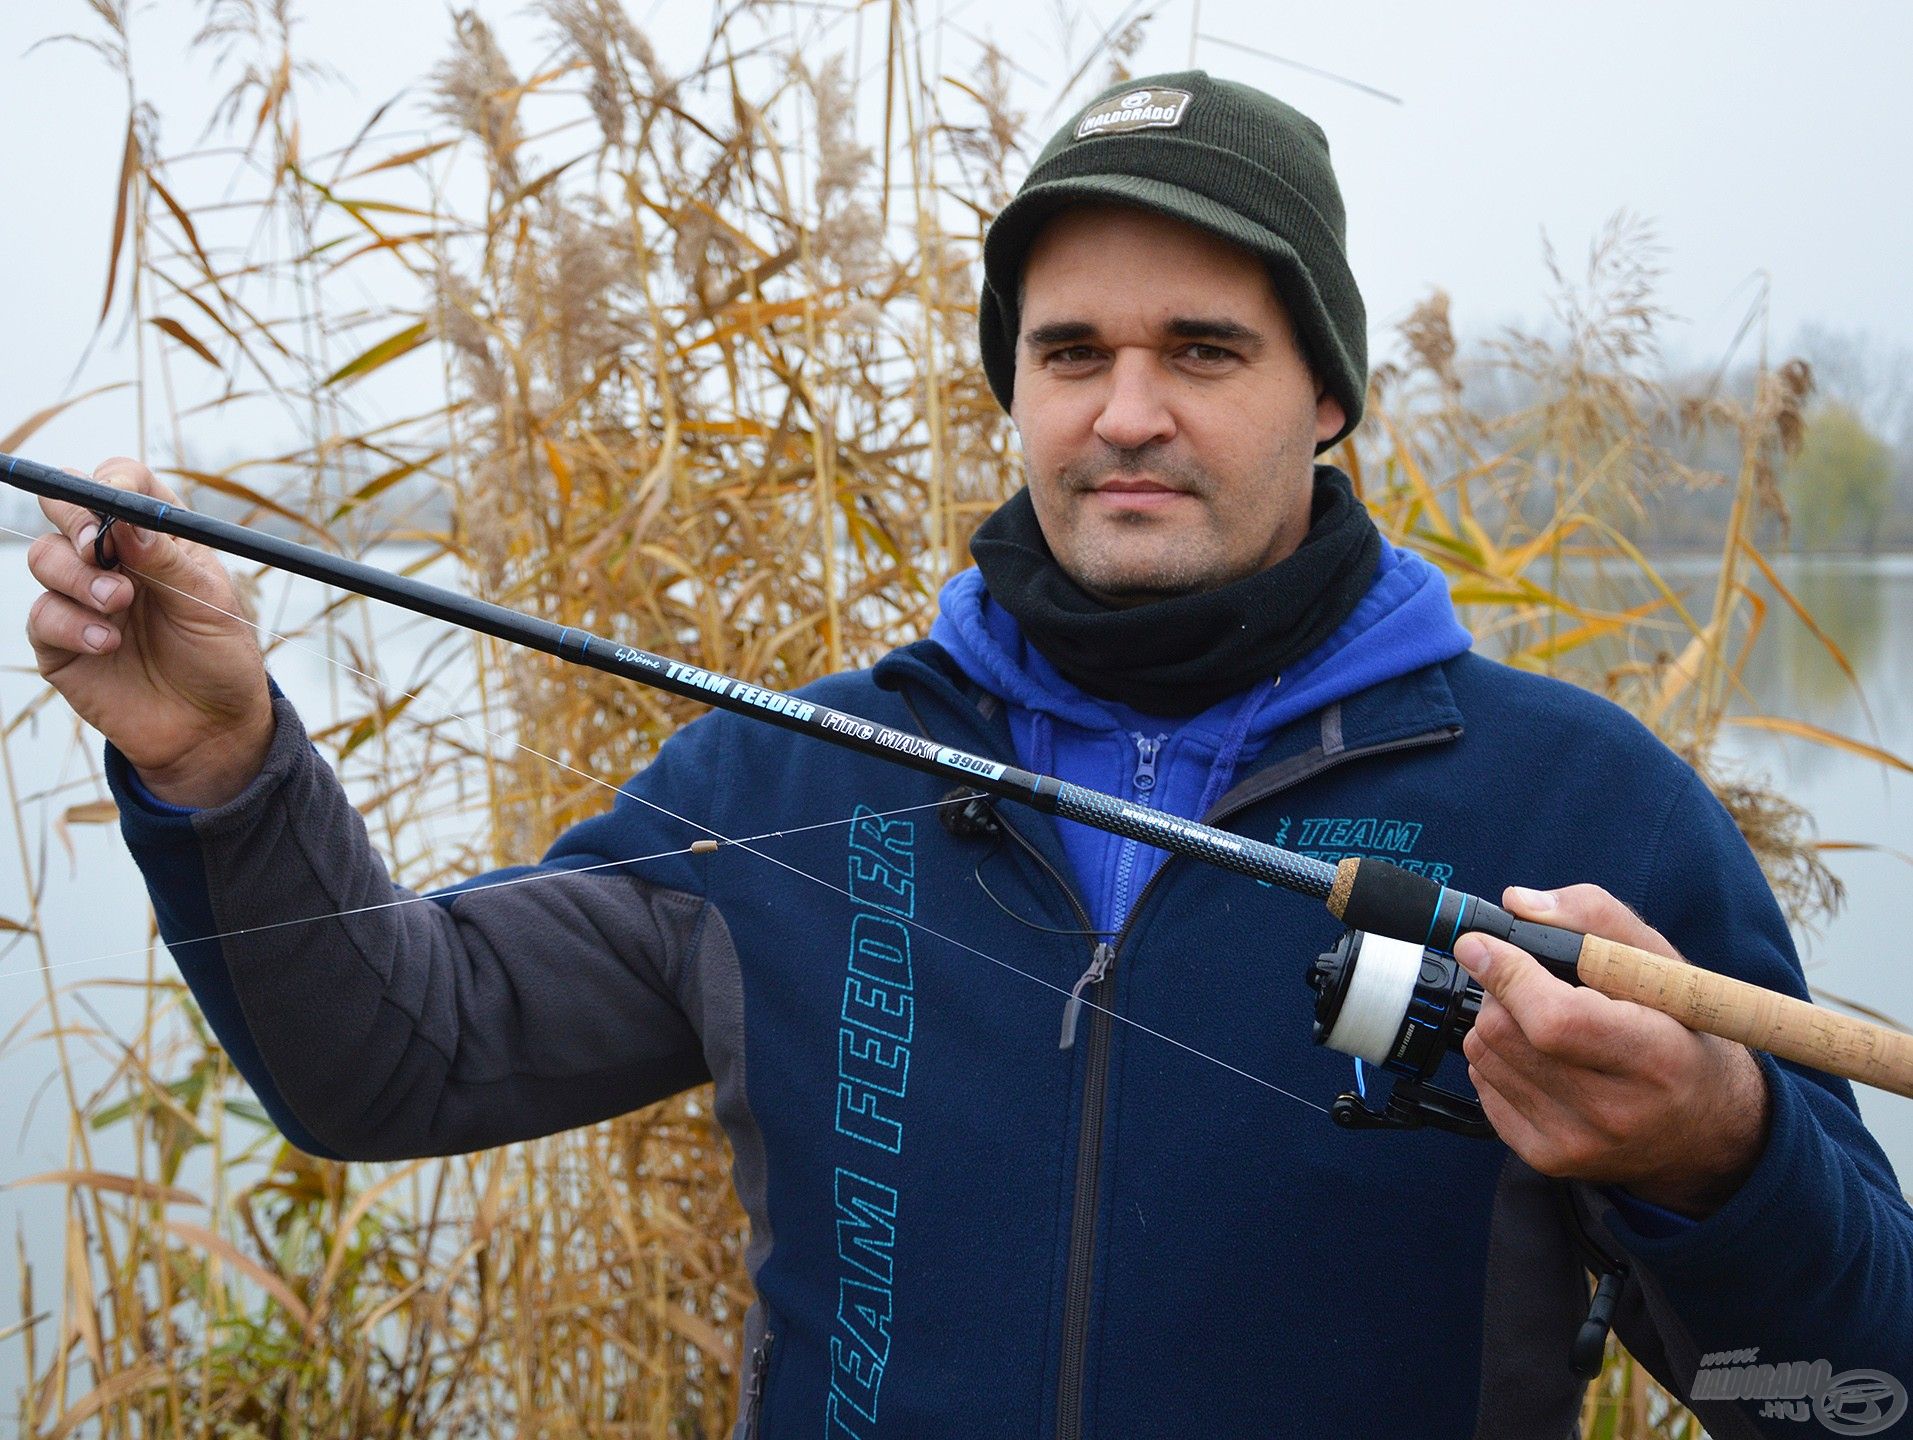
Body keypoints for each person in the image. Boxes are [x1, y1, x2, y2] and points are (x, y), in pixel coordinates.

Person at [22, 70, 1911, 1438]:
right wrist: (222, 768)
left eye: (1205, 348)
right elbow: (391, 1060)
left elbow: (1854, 1394)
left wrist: (1718, 1158)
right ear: (1011, 386)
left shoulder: (1579, 807)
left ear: (1327, 394)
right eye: (1069, 350)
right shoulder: (793, 776)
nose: (1129, 413)